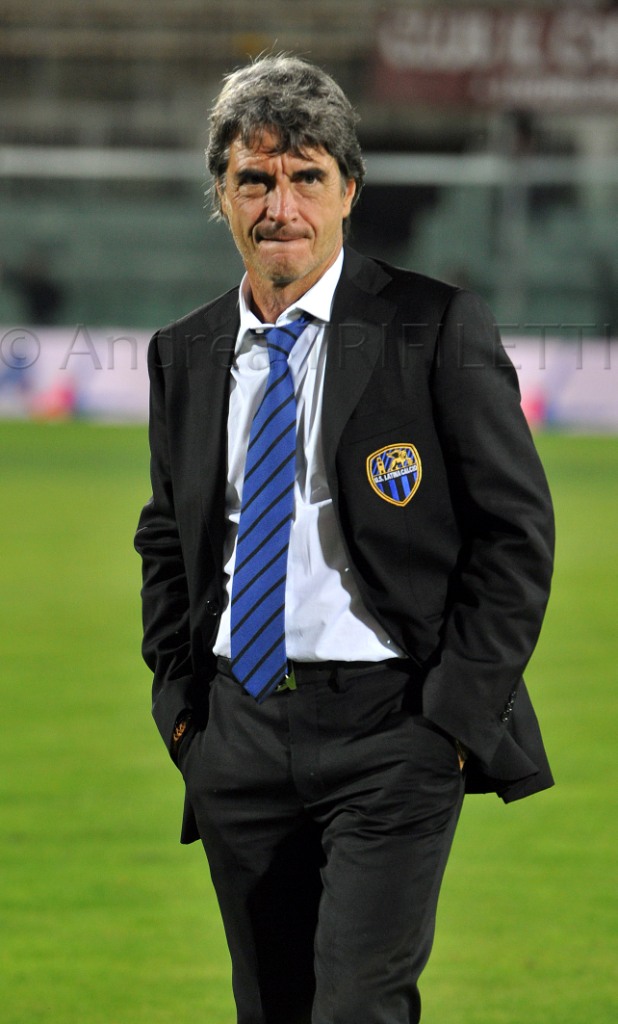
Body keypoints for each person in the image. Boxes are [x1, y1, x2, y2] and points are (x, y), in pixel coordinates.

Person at [135, 55, 554, 1024]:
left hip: (394, 729)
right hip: (237, 730)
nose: (280, 206)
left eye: (306, 176)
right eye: (254, 179)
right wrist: (183, 711)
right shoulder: (183, 352)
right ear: (221, 195)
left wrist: (452, 719)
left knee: (359, 1007)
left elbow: (515, 534)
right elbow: (167, 537)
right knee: (273, 1008)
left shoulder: (433, 326)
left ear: (349, 190)